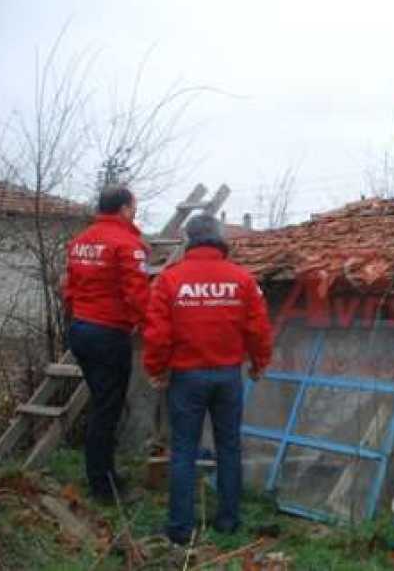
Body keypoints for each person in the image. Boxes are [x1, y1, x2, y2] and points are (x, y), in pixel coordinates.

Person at [143, 215, 273, 545]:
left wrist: (156, 369)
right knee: (229, 448)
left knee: (184, 450)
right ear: (219, 239)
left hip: (186, 378)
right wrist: (259, 364)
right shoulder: (242, 280)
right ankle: (228, 522)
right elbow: (258, 329)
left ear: (189, 240)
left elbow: (158, 335)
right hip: (229, 376)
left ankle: (180, 529)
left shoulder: (170, 280)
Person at [65, 185, 150, 502]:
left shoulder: (80, 241)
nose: (135, 213)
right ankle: (103, 486)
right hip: (108, 333)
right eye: (134, 207)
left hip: (81, 329)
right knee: (107, 410)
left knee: (101, 404)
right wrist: (153, 329)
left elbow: (70, 289)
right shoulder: (127, 244)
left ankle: (104, 473)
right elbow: (138, 295)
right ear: (125, 209)